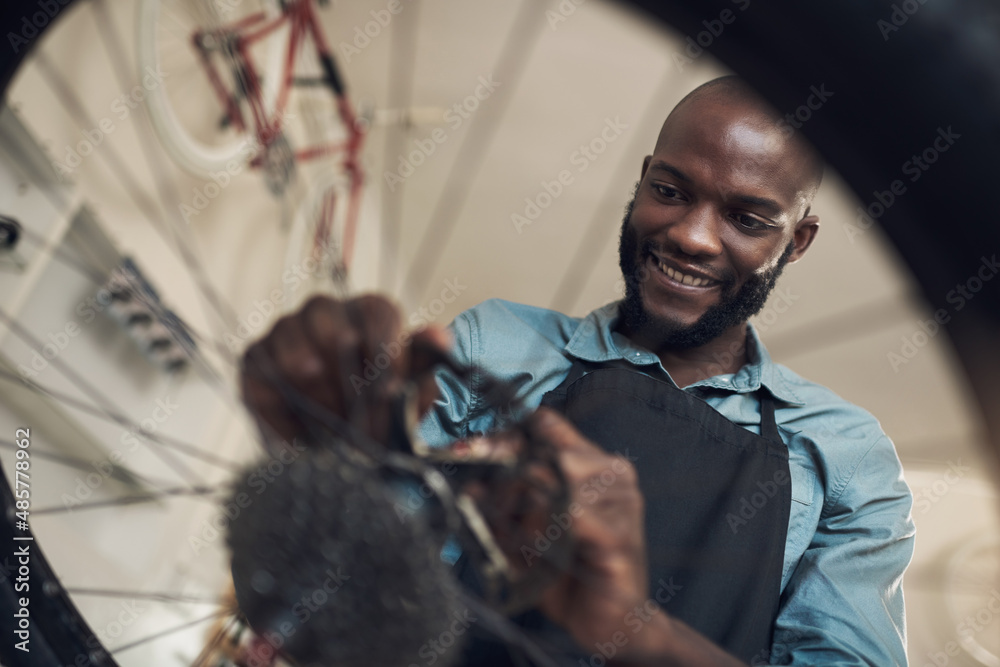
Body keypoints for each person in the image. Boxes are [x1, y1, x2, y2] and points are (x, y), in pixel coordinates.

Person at [241, 76, 915, 666]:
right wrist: (314, 445)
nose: (692, 235)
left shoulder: (846, 454)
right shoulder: (495, 343)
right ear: (644, 177)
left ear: (796, 240)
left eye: (745, 218)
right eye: (671, 190)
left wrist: (632, 630)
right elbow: (345, 579)